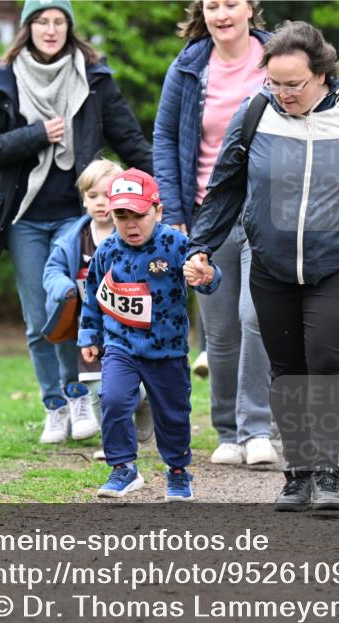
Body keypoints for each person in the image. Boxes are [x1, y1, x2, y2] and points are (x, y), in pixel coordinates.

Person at [185, 21, 339, 511]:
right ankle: (298, 473)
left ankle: (326, 470)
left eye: (293, 84)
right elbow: (225, 186)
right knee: (286, 369)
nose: (283, 94)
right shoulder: (256, 112)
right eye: (275, 84)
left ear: (322, 74)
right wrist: (201, 246)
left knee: (324, 357)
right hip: (271, 262)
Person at [0, 0, 152, 445]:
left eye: (58, 21)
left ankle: (83, 396)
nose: (50, 29)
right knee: (41, 319)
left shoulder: (93, 77)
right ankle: (55, 404)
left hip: (81, 217)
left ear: (69, 28)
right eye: (41, 21)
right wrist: (36, 134)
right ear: (27, 28)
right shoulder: (2, 79)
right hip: (26, 220)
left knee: (86, 310)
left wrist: (160, 189)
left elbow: (128, 137)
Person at [153, 0, 278, 467]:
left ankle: (257, 429)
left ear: (251, 8)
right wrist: (176, 213)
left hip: (268, 212)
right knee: (220, 330)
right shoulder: (187, 68)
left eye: (231, 3)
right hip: (209, 215)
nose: (222, 13)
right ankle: (227, 431)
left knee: (255, 317)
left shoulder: (278, 57)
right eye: (212, 5)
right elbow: (165, 138)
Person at [79, 169, 220, 501]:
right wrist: (89, 336)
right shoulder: (107, 251)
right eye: (121, 215)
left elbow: (207, 274)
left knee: (172, 413)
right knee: (112, 400)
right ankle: (123, 468)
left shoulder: (174, 243)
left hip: (167, 350)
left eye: (139, 215)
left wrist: (206, 274)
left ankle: (178, 471)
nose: (130, 224)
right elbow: (93, 296)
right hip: (120, 346)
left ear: (157, 211)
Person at [41, 159, 155, 459]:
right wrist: (63, 286)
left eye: (109, 195)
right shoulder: (72, 239)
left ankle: (144, 402)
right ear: (83, 199)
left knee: (130, 386)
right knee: (97, 389)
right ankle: (114, 443)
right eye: (93, 196)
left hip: (128, 326)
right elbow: (51, 269)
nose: (101, 203)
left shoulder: (133, 236)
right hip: (88, 328)